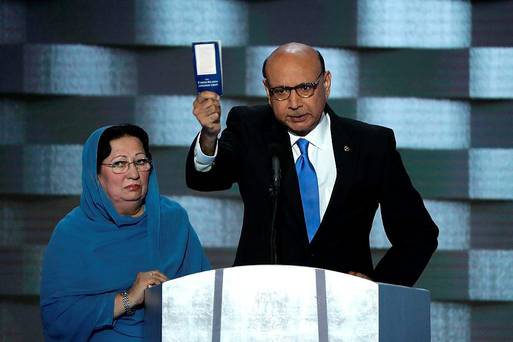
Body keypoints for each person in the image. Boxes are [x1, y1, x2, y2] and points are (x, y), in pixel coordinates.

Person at [186, 42, 438, 287]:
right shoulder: (250, 127)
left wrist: (377, 289)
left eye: (305, 88)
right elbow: (207, 178)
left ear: (325, 83)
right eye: (281, 91)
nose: (294, 103)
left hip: (345, 309)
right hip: (262, 306)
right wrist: (209, 137)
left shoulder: (370, 145)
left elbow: (418, 235)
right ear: (267, 90)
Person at [41, 124, 210, 341]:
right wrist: (128, 298)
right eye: (119, 164)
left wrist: (174, 298)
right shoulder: (72, 233)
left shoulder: (173, 220)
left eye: (140, 161)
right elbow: (57, 319)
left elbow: (206, 298)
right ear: (96, 175)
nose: (133, 173)